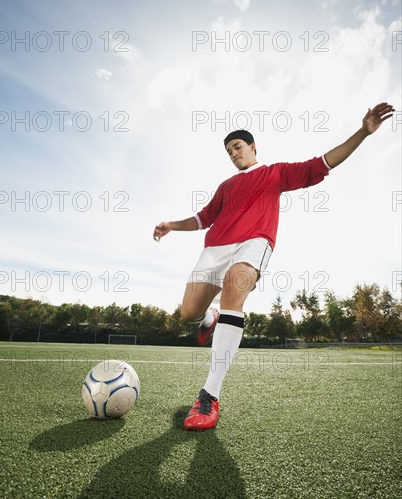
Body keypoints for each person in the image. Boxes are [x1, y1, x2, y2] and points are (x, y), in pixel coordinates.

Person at [153, 102, 395, 431]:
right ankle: (208, 317)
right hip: (215, 247)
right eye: (228, 151)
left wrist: (363, 133)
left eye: (237, 147)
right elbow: (203, 218)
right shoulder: (226, 186)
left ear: (253, 147)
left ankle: (209, 395)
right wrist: (171, 225)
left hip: (254, 241)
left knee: (235, 289)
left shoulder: (275, 173)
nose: (233, 153)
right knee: (188, 312)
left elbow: (323, 162)